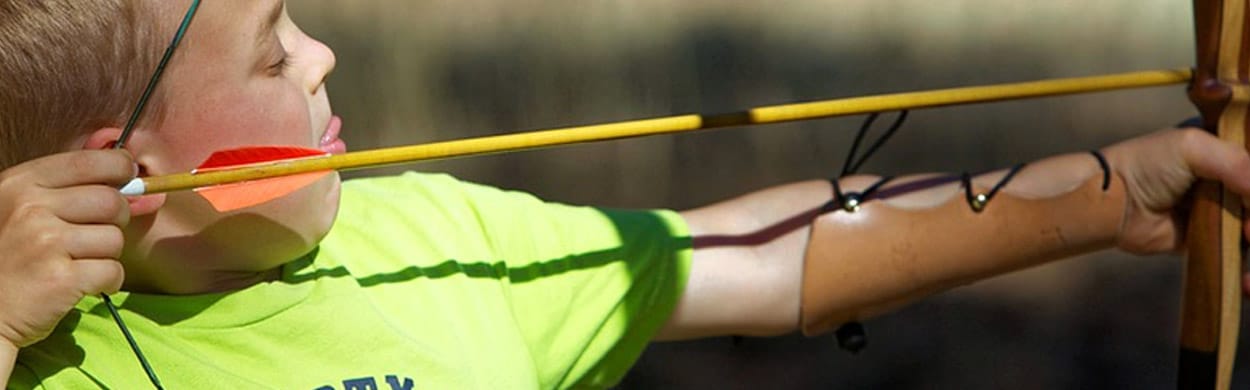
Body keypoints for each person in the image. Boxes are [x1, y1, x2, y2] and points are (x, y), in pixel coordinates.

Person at [1, 1, 1248, 389]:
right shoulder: (46, 354)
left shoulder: (435, 240)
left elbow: (763, 256)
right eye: (274, 56)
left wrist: (1100, 192)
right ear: (130, 171)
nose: (322, 55)